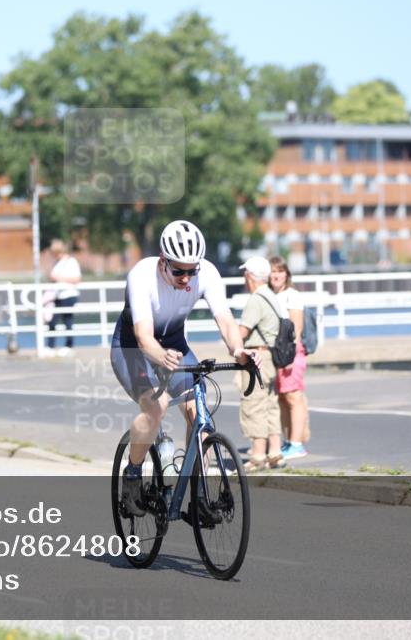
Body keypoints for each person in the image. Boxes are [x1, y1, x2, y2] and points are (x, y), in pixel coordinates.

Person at [110, 220, 257, 515]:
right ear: (164, 262)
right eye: (179, 271)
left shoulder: (208, 272)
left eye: (192, 271)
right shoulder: (142, 275)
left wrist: (238, 350)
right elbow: (143, 336)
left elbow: (226, 320)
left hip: (175, 345)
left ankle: (199, 494)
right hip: (134, 349)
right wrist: (159, 356)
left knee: (200, 413)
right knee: (156, 407)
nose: (186, 278)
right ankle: (133, 475)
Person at [237, 257, 286, 472]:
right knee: (270, 405)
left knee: (254, 404)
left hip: (256, 357)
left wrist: (232, 344)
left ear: (250, 276)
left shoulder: (256, 299)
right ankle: (275, 452)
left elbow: (243, 331)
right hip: (271, 357)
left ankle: (258, 456)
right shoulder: (272, 296)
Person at [269, 256, 310, 459]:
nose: (276, 275)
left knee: (294, 396)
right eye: (273, 271)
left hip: (291, 352)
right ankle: (289, 441)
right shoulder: (269, 295)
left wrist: (291, 355)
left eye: (280, 271)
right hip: (277, 353)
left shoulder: (292, 295)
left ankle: (296, 444)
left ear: (287, 274)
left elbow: (297, 327)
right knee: (283, 398)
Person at [47, 239, 81, 355]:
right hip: (57, 295)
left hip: (68, 295)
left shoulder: (71, 261)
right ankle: (50, 346)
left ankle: (69, 345)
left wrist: (59, 278)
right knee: (52, 320)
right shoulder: (57, 263)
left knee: (68, 320)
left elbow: (76, 279)